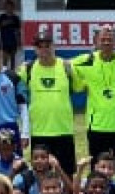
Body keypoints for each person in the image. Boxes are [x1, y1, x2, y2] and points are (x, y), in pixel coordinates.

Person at [73, 26, 115, 158]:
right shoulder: (87, 61)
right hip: (96, 127)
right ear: (96, 41)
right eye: (103, 39)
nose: (106, 42)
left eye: (109, 39)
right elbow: (64, 66)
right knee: (98, 168)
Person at [17, 32, 81, 174]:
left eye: (47, 45)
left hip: (63, 130)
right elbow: (17, 93)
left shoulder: (66, 66)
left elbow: (78, 87)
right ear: (35, 49)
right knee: (40, 174)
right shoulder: (27, 69)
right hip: (39, 131)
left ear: (54, 47)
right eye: (40, 46)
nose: (44, 49)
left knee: (66, 173)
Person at [0, 0, 22, 70]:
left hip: (13, 41)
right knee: (4, 60)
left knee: (13, 59)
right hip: (4, 41)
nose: (9, 8)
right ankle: (4, 73)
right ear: (5, 8)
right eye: (7, 7)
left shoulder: (16, 18)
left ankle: (12, 74)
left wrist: (19, 42)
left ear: (13, 8)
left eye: (10, 7)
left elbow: (18, 31)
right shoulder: (1, 17)